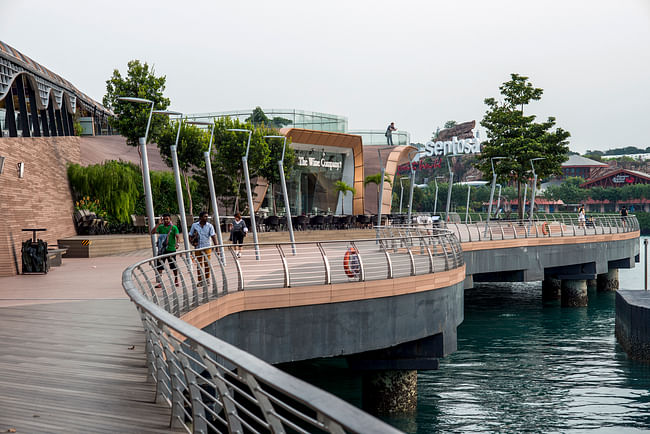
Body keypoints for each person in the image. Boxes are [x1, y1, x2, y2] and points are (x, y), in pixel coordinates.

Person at [189, 211, 218, 283]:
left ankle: (207, 279)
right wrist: (192, 243)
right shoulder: (194, 225)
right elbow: (190, 235)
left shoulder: (210, 226)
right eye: (205, 216)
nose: (206, 218)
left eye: (207, 216)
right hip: (198, 247)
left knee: (207, 263)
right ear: (200, 218)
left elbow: (213, 236)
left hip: (207, 247)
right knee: (199, 265)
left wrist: (217, 247)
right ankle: (200, 280)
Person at [151, 213, 180, 287]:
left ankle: (176, 279)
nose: (165, 220)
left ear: (170, 219)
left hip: (171, 249)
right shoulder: (161, 227)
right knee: (160, 266)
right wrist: (158, 224)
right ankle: (160, 282)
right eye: (164, 219)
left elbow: (177, 237)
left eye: (167, 219)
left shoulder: (174, 227)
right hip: (162, 250)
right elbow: (152, 232)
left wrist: (177, 244)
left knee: (173, 265)